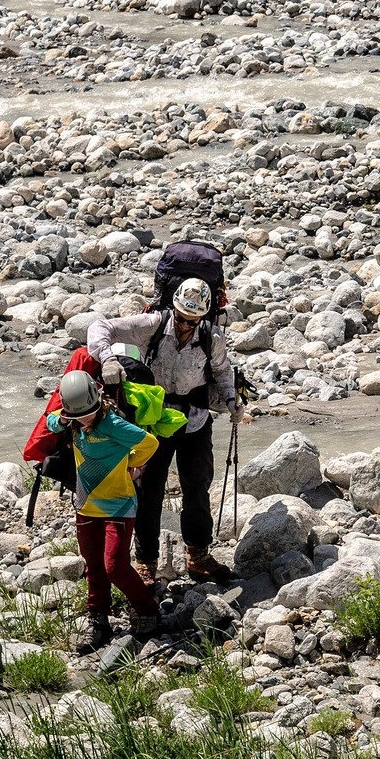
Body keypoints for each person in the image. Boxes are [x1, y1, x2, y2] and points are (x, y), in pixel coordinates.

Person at [85, 276, 234, 584]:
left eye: (192, 321)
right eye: (180, 318)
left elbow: (221, 370)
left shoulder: (211, 336)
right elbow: (100, 327)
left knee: (197, 487)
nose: (184, 326)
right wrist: (108, 358)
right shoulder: (153, 324)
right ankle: (146, 561)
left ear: (202, 317)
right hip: (154, 423)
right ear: (173, 309)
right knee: (149, 490)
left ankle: (199, 556)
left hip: (195, 421)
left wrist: (233, 402)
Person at [40, 368, 159, 649]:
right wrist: (57, 421)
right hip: (86, 505)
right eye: (77, 416)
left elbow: (150, 443)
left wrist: (131, 463)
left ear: (98, 400)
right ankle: (98, 618)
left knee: (115, 566)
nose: (85, 419)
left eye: (89, 413)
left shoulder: (114, 425)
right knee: (93, 565)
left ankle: (147, 609)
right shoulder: (70, 421)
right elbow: (51, 422)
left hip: (119, 504)